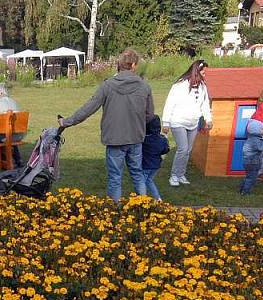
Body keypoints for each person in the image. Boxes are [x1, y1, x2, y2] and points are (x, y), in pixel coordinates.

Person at [59, 48, 155, 202]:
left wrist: (66, 122)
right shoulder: (144, 86)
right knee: (137, 174)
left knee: (115, 177)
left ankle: (114, 211)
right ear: (134, 65)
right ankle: (143, 208)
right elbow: (150, 115)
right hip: (135, 138)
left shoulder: (107, 85)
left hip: (114, 139)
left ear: (120, 64)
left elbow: (88, 108)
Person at [161, 59, 212, 187]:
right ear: (197, 71)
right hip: (178, 121)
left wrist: (208, 119)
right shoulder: (180, 85)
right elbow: (170, 103)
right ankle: (174, 175)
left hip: (193, 123)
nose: (205, 75)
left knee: (188, 150)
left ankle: (181, 174)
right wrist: (166, 122)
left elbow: (205, 104)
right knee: (183, 149)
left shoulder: (202, 87)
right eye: (203, 72)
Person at [0, 83, 24, 168]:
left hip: (6, 136)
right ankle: (18, 159)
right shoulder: (14, 102)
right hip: (19, 135)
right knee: (9, 131)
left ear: (0, 93)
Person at [142, 115, 170, 201]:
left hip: (145, 165)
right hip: (156, 165)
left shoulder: (144, 139)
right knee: (149, 180)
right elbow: (165, 150)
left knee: (141, 182)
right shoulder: (162, 139)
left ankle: (142, 200)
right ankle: (157, 198)